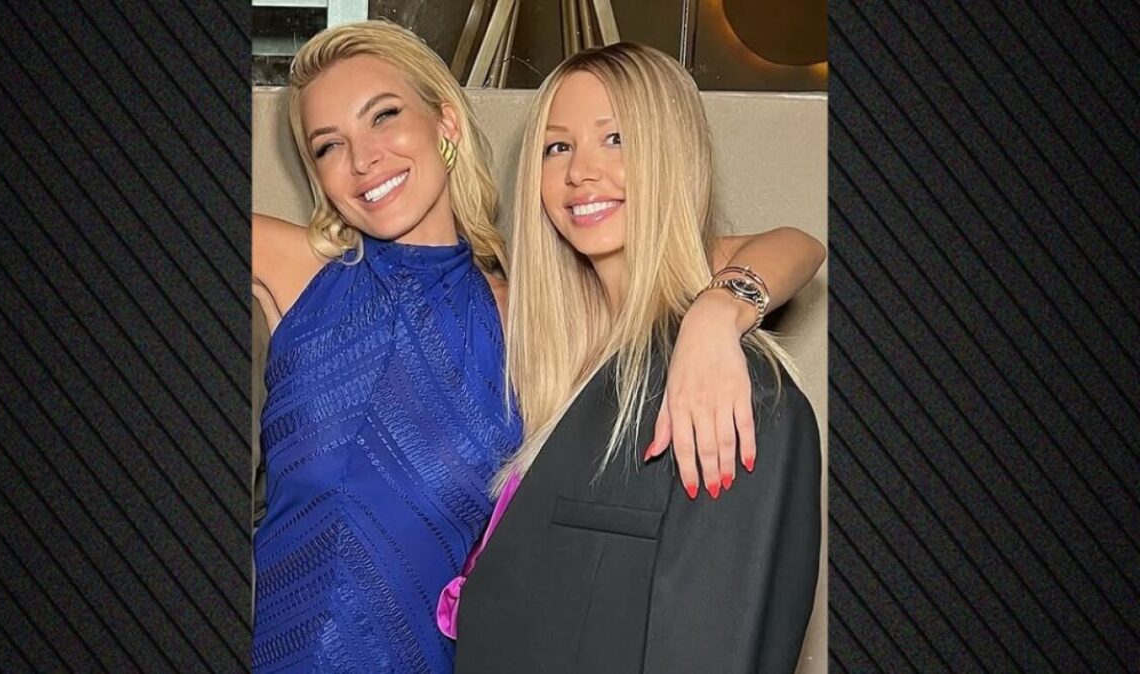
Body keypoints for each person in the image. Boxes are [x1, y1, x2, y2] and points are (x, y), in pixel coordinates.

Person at [251, 21, 824, 673]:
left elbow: (783, 244)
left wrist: (718, 313)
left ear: (446, 124)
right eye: (328, 146)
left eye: (384, 116)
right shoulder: (303, 273)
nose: (362, 160)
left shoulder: (535, 313)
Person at [450, 43, 821, 673]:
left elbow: (714, 647)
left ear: (670, 155)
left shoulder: (729, 390)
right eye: (557, 146)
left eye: (615, 138)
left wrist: (717, 313)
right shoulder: (564, 357)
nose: (580, 172)